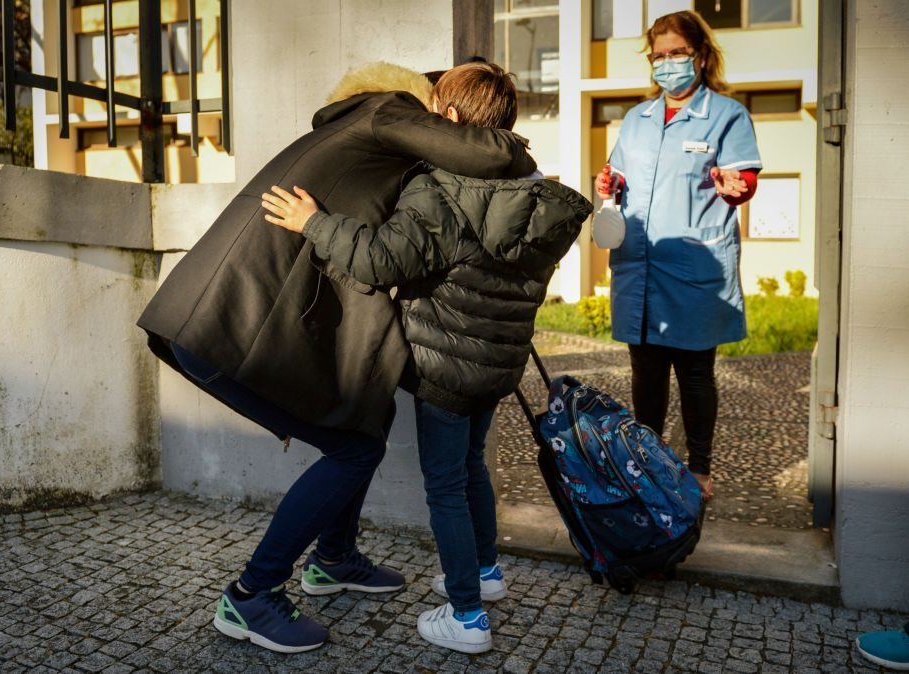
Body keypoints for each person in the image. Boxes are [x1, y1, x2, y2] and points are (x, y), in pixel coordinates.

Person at [137, 62, 536, 654]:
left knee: (364, 423)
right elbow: (498, 157)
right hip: (224, 327)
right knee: (356, 449)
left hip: (243, 325)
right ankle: (251, 596)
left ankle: (333, 559)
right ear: (434, 111)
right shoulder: (385, 109)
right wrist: (523, 158)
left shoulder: (368, 139)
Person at [261, 62, 591, 654]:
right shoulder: (536, 190)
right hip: (496, 364)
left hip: (444, 365)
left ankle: (466, 616)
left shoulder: (442, 189)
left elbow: (381, 261)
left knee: (444, 485)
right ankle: (485, 574)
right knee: (470, 472)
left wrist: (312, 221)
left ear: (451, 119)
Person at [594, 10, 761, 500]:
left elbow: (741, 180)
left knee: (693, 371)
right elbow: (620, 175)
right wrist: (610, 183)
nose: (667, 64)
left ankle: (700, 468)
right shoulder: (637, 119)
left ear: (700, 56)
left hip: (693, 266)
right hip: (639, 263)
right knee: (645, 369)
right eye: (658, 56)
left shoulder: (727, 115)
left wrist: (738, 189)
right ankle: (648, 457)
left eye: (676, 54)